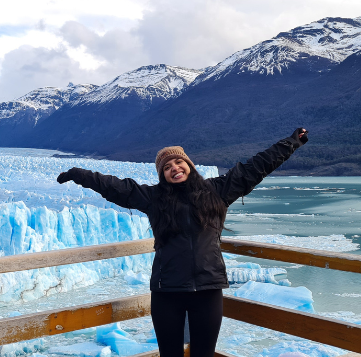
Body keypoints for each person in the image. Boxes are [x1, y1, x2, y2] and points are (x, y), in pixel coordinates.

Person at [56, 128, 309, 357]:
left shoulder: (218, 191)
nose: (174, 168)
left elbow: (255, 167)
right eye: (167, 167)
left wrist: (291, 143)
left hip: (208, 289)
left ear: (189, 164)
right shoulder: (153, 198)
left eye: (179, 162)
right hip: (167, 293)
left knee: (203, 355)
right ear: (162, 174)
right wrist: (80, 174)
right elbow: (117, 187)